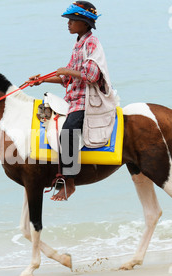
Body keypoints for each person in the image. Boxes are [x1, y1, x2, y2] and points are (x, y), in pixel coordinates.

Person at [29, 1, 117, 201]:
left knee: (67, 132)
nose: (68, 23)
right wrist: (41, 80)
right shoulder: (79, 44)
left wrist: (67, 71)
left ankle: (69, 183)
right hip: (73, 98)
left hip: (86, 101)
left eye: (72, 20)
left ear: (85, 23)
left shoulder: (92, 43)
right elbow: (66, 79)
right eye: (69, 20)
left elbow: (92, 75)